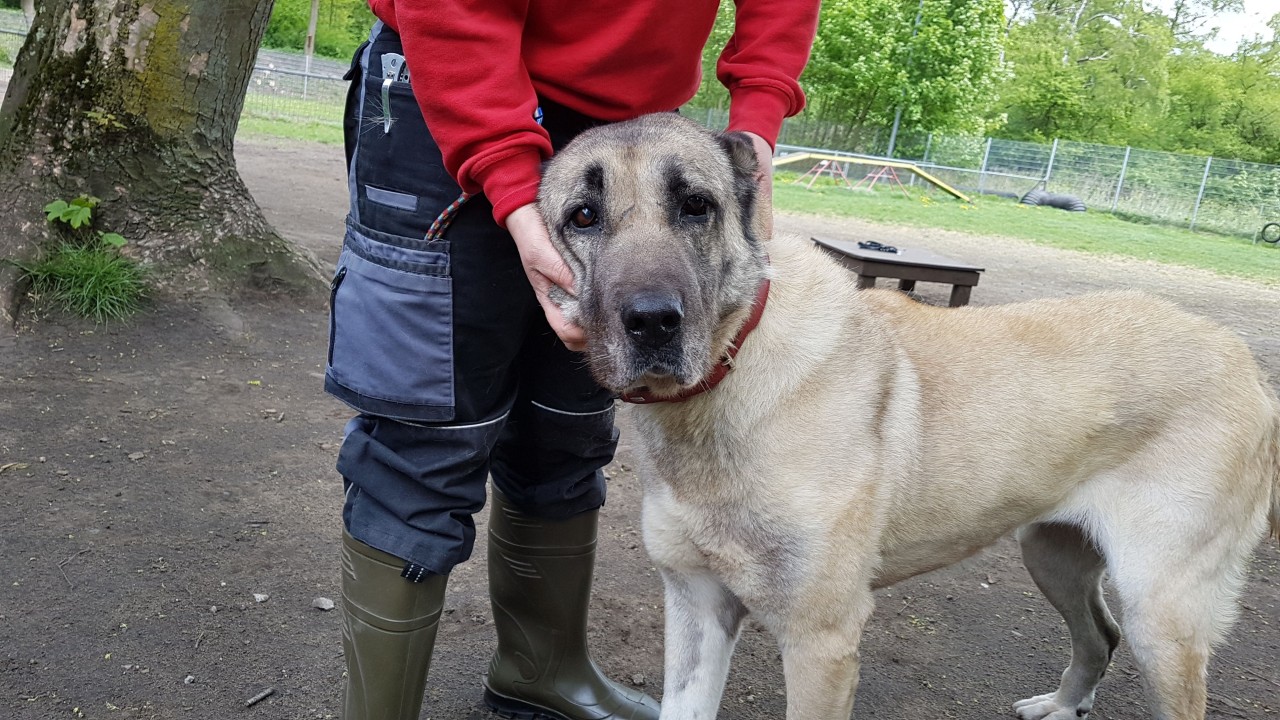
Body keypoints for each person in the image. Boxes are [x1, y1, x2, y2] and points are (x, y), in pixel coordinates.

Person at [325, 2, 821, 718]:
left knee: (567, 426)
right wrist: (506, 177)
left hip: (632, 129)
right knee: (425, 434)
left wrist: (758, 114)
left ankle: (541, 670)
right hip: (453, 88)